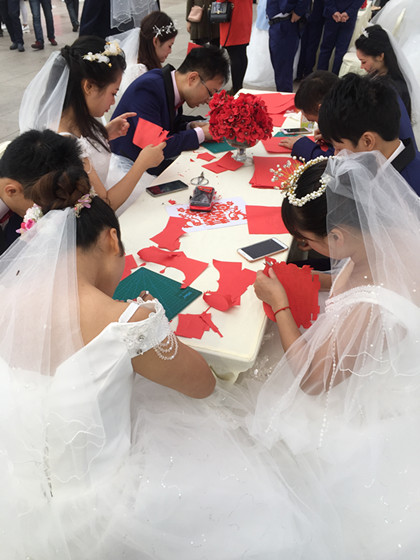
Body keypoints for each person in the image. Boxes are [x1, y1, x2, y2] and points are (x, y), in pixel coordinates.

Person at [0, 129, 328, 560]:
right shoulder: (126, 321)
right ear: (111, 240)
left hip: (20, 489)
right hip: (107, 502)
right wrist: (150, 323)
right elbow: (203, 385)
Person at [251, 150, 420, 556]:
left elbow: (312, 381)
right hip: (380, 354)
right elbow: (354, 274)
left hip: (363, 408)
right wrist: (314, 279)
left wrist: (280, 305)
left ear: (337, 236)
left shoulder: (370, 306)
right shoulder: (387, 239)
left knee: (255, 372)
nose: (304, 246)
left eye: (306, 241)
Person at [18, 36, 165, 213]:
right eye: (113, 93)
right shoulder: (66, 145)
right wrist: (141, 164)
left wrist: (104, 134)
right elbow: (105, 204)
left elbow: (87, 149)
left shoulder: (73, 118)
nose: (113, 102)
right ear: (89, 87)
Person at [110, 45, 229, 171]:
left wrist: (190, 126)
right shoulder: (147, 89)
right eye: (210, 92)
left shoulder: (170, 83)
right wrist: (201, 134)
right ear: (192, 78)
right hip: (127, 166)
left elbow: (166, 125)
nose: (208, 100)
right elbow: (156, 146)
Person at [318, 73, 420, 195]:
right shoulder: (380, 166)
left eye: (339, 148)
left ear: (367, 141)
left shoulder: (408, 191)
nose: (336, 155)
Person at [112, 11, 178, 100]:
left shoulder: (148, 66)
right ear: (156, 41)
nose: (170, 51)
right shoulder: (138, 72)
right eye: (169, 46)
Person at [279, 70, 338, 159]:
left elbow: (331, 161)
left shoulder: (349, 128)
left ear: (321, 109)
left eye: (315, 121)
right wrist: (330, 137)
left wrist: (301, 145)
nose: (319, 126)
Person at [355, 24, 410, 118]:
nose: (361, 67)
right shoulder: (375, 75)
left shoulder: (394, 89)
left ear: (380, 56)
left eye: (364, 62)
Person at [266, 0, 310, 92]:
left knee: (284, 71)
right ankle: (282, 95)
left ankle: (285, 97)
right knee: (279, 68)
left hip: (285, 23)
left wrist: (299, 11)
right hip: (276, 24)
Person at [317, 0, 365, 75]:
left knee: (332, 50)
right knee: (337, 51)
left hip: (341, 17)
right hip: (340, 17)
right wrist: (348, 12)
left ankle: (321, 77)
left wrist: (334, 10)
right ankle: (331, 77)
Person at [219, 0, 253, 95]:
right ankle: (239, 86)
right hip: (245, 15)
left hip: (234, 18)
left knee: (234, 54)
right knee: (241, 53)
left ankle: (236, 87)